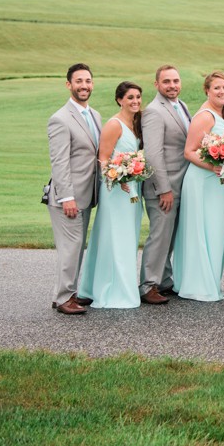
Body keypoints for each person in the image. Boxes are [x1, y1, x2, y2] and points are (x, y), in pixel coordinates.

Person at [78, 81, 145, 308]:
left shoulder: (136, 123)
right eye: (130, 98)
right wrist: (118, 177)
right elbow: (103, 158)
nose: (135, 101)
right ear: (120, 100)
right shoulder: (114, 124)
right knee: (114, 237)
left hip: (133, 191)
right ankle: (110, 289)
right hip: (115, 191)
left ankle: (121, 285)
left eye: (138, 97)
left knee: (128, 239)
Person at [172, 71, 224, 302]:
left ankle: (210, 279)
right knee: (202, 229)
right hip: (203, 182)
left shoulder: (222, 115)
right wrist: (213, 167)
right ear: (207, 91)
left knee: (215, 231)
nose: (222, 92)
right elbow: (189, 151)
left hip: (219, 185)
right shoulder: (206, 116)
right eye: (217, 88)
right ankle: (197, 284)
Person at [46, 63, 101, 315]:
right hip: (67, 198)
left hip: (86, 194)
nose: (84, 86)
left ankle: (69, 293)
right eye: (79, 81)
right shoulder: (60, 119)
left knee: (78, 246)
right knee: (71, 246)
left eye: (88, 81)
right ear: (69, 85)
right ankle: (63, 297)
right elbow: (59, 162)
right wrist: (67, 196)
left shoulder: (95, 116)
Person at [139, 65, 190, 305]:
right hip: (163, 188)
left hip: (181, 184)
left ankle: (164, 281)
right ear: (156, 84)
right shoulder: (153, 112)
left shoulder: (182, 106)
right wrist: (164, 189)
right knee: (159, 237)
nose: (172, 85)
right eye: (167, 81)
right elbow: (153, 154)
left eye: (176, 81)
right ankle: (148, 285)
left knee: (169, 237)